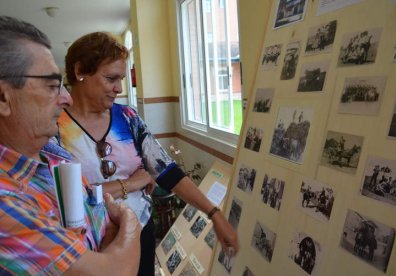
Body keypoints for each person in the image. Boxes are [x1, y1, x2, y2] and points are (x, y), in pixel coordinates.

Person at [57, 31, 239, 276]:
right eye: (111, 78)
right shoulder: (54, 127)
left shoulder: (128, 118)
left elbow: (168, 172)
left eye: (121, 79)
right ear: (80, 71)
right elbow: (63, 196)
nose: (118, 88)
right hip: (87, 245)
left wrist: (214, 214)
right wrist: (131, 183)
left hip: (139, 234)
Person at [0, 16, 141, 274]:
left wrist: (107, 243)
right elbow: (115, 271)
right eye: (53, 86)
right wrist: (129, 220)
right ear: (3, 97)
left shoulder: (52, 154)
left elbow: (100, 228)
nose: (66, 98)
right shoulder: (6, 200)